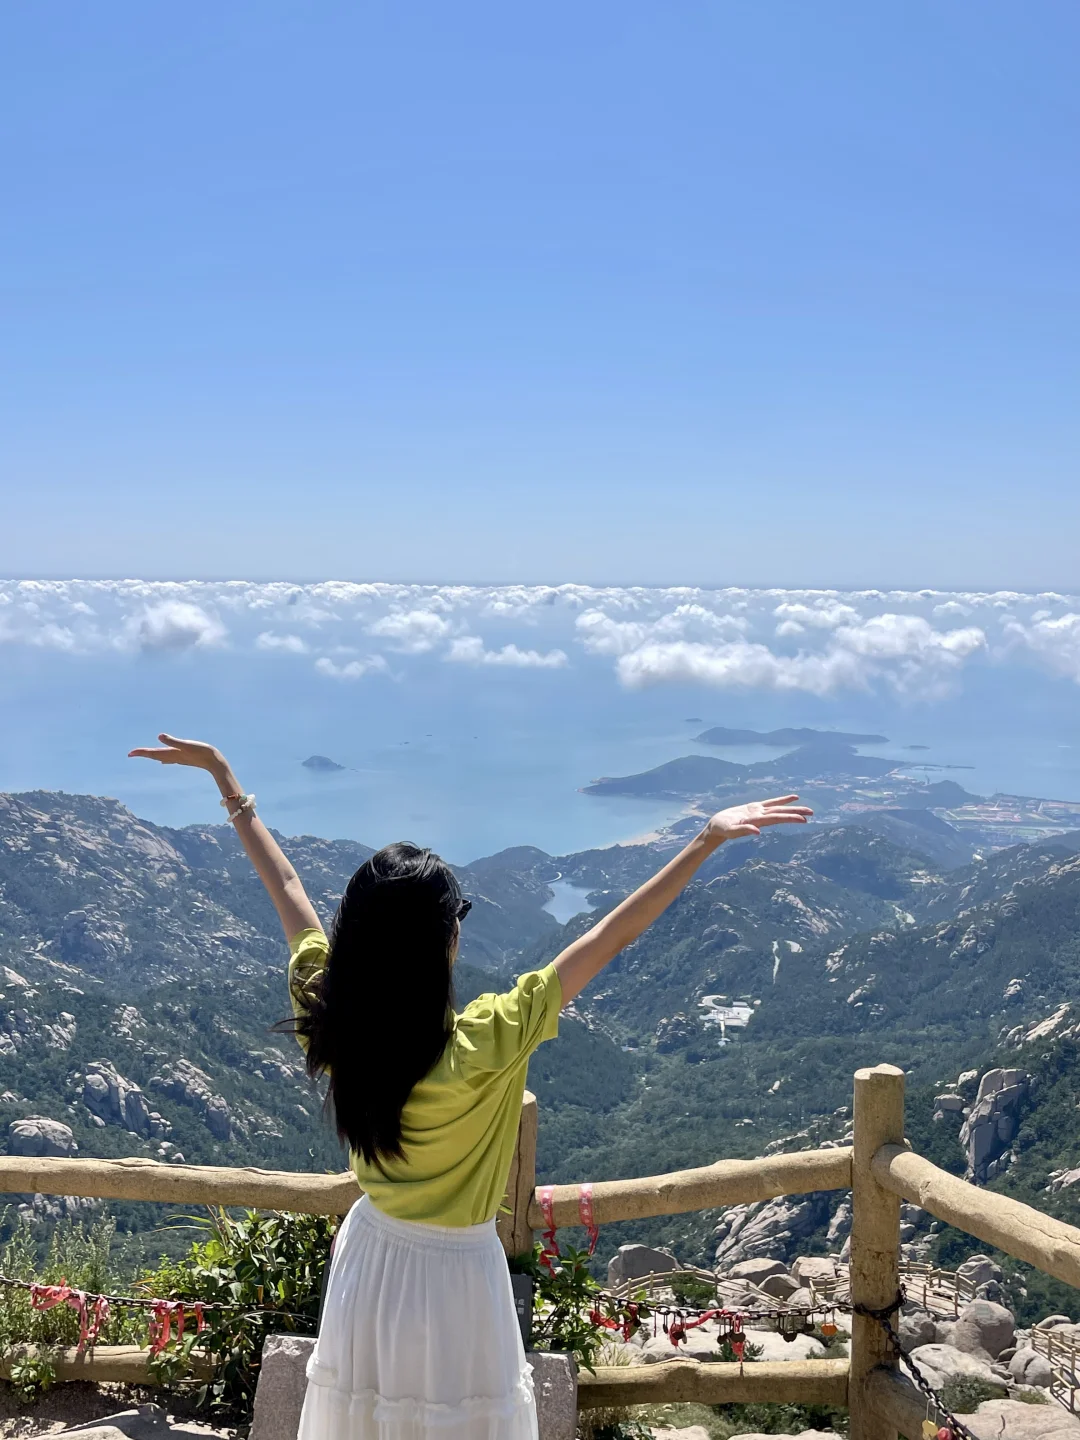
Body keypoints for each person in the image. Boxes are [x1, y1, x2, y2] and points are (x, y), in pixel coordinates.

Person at [130, 733, 811, 1440]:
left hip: (369, 1258)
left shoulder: (332, 1013)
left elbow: (291, 892)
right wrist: (703, 842)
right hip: (460, 1276)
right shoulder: (488, 1040)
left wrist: (228, 785)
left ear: (358, 938)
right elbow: (609, 938)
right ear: (444, 943)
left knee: (363, 1418)